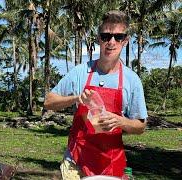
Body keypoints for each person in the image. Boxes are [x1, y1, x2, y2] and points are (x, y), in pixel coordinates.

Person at [44, 10, 147, 179]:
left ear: (125, 41)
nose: (111, 42)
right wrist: (76, 98)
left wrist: (120, 121)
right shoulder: (80, 72)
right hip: (76, 160)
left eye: (118, 37)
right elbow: (48, 101)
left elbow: (140, 126)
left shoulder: (132, 80)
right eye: (106, 36)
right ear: (99, 38)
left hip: (111, 163)